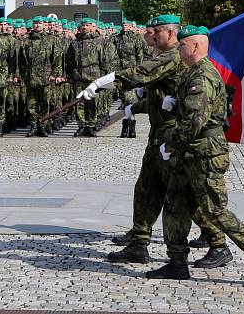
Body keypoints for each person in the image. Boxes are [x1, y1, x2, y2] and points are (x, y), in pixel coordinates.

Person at [80, 15, 228, 269]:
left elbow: (141, 74)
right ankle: (139, 242)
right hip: (159, 131)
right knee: (147, 188)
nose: (150, 34)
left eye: (156, 31)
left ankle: (217, 243)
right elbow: (157, 90)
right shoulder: (169, 54)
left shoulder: (172, 56)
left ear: (170, 33)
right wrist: (137, 105)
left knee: (184, 194)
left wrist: (101, 83)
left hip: (174, 133)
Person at [145, 25, 244, 287]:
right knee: (175, 205)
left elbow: (193, 122)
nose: (179, 48)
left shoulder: (202, 77)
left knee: (214, 210)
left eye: (182, 44)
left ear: (195, 46)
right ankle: (176, 262)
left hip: (205, 153)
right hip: (191, 151)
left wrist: (169, 144)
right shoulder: (191, 73)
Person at [66, 18, 107, 137]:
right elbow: (69, 61)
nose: (85, 27)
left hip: (94, 76)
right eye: (83, 25)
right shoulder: (75, 43)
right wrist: (70, 76)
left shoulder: (100, 42)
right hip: (79, 76)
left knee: (93, 102)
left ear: (93, 27)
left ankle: (91, 125)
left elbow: (104, 60)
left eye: (88, 25)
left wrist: (104, 77)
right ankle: (82, 125)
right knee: (79, 102)